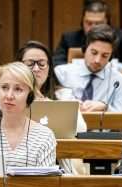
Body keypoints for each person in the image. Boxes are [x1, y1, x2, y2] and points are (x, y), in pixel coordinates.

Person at [16, 41, 87, 174]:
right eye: (30, 64)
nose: (36, 69)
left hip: (59, 162)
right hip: (18, 160)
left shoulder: (63, 95)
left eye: (42, 64)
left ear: (49, 68)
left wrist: (45, 101)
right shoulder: (8, 95)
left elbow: (81, 129)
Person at [55, 24, 122, 112]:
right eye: (94, 53)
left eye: (105, 56)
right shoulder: (61, 73)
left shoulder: (119, 80)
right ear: (84, 49)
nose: (97, 60)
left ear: (110, 57)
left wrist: (105, 108)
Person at [53, 0, 122, 70]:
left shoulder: (120, 37)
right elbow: (56, 62)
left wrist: (113, 67)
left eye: (98, 23)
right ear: (82, 22)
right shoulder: (69, 38)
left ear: (107, 23)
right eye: (89, 23)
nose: (93, 28)